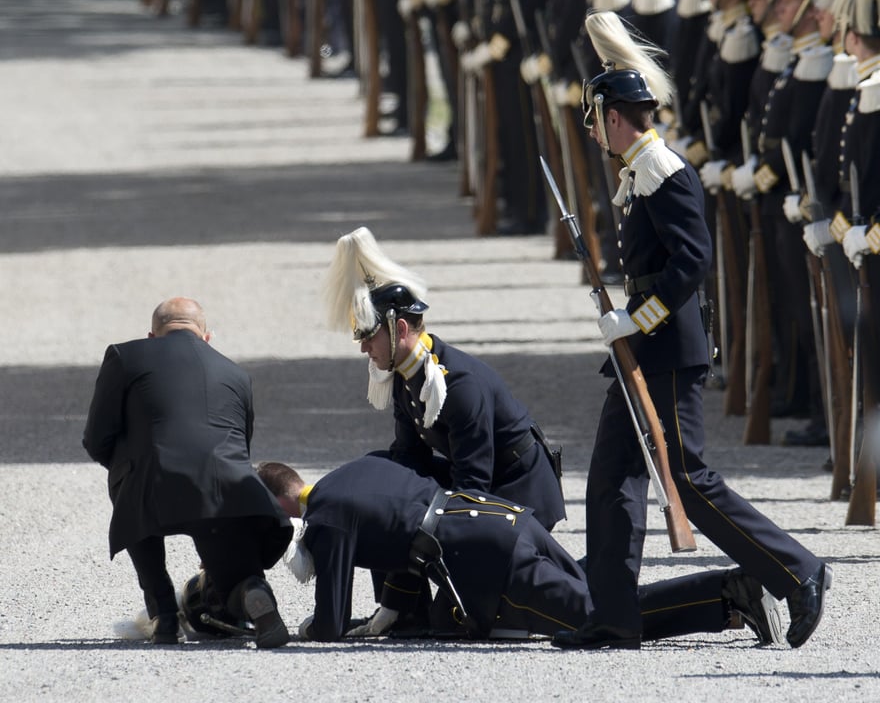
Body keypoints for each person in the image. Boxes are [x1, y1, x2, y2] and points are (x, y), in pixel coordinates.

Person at [552, 12, 831, 651]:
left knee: (691, 484)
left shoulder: (663, 171)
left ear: (616, 116)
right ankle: (615, 615)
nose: (594, 129)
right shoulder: (639, 168)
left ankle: (798, 571)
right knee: (612, 475)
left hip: (666, 351)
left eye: (597, 118)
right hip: (643, 350)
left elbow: (691, 262)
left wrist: (637, 319)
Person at [256, 455, 783, 646]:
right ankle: (730, 592)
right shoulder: (353, 471)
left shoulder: (324, 518)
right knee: (595, 593)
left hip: (483, 560)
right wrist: (389, 613)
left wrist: (301, 628)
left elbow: (329, 622)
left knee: (600, 618)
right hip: (499, 518)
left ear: (279, 505)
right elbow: (406, 541)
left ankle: (728, 594)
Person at [323, 226, 566, 530]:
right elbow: (410, 458)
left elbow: (474, 483)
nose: (363, 348)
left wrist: (431, 524)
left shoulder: (459, 385)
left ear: (399, 330)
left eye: (370, 337)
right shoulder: (406, 374)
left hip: (517, 490)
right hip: (480, 479)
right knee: (380, 480)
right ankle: (396, 580)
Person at [82, 297, 292, 648]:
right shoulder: (237, 374)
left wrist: (128, 468)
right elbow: (242, 446)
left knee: (130, 469)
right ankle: (252, 591)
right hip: (228, 491)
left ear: (153, 336)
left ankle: (164, 613)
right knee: (235, 576)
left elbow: (96, 438)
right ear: (207, 338)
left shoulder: (125, 356)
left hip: (152, 489)